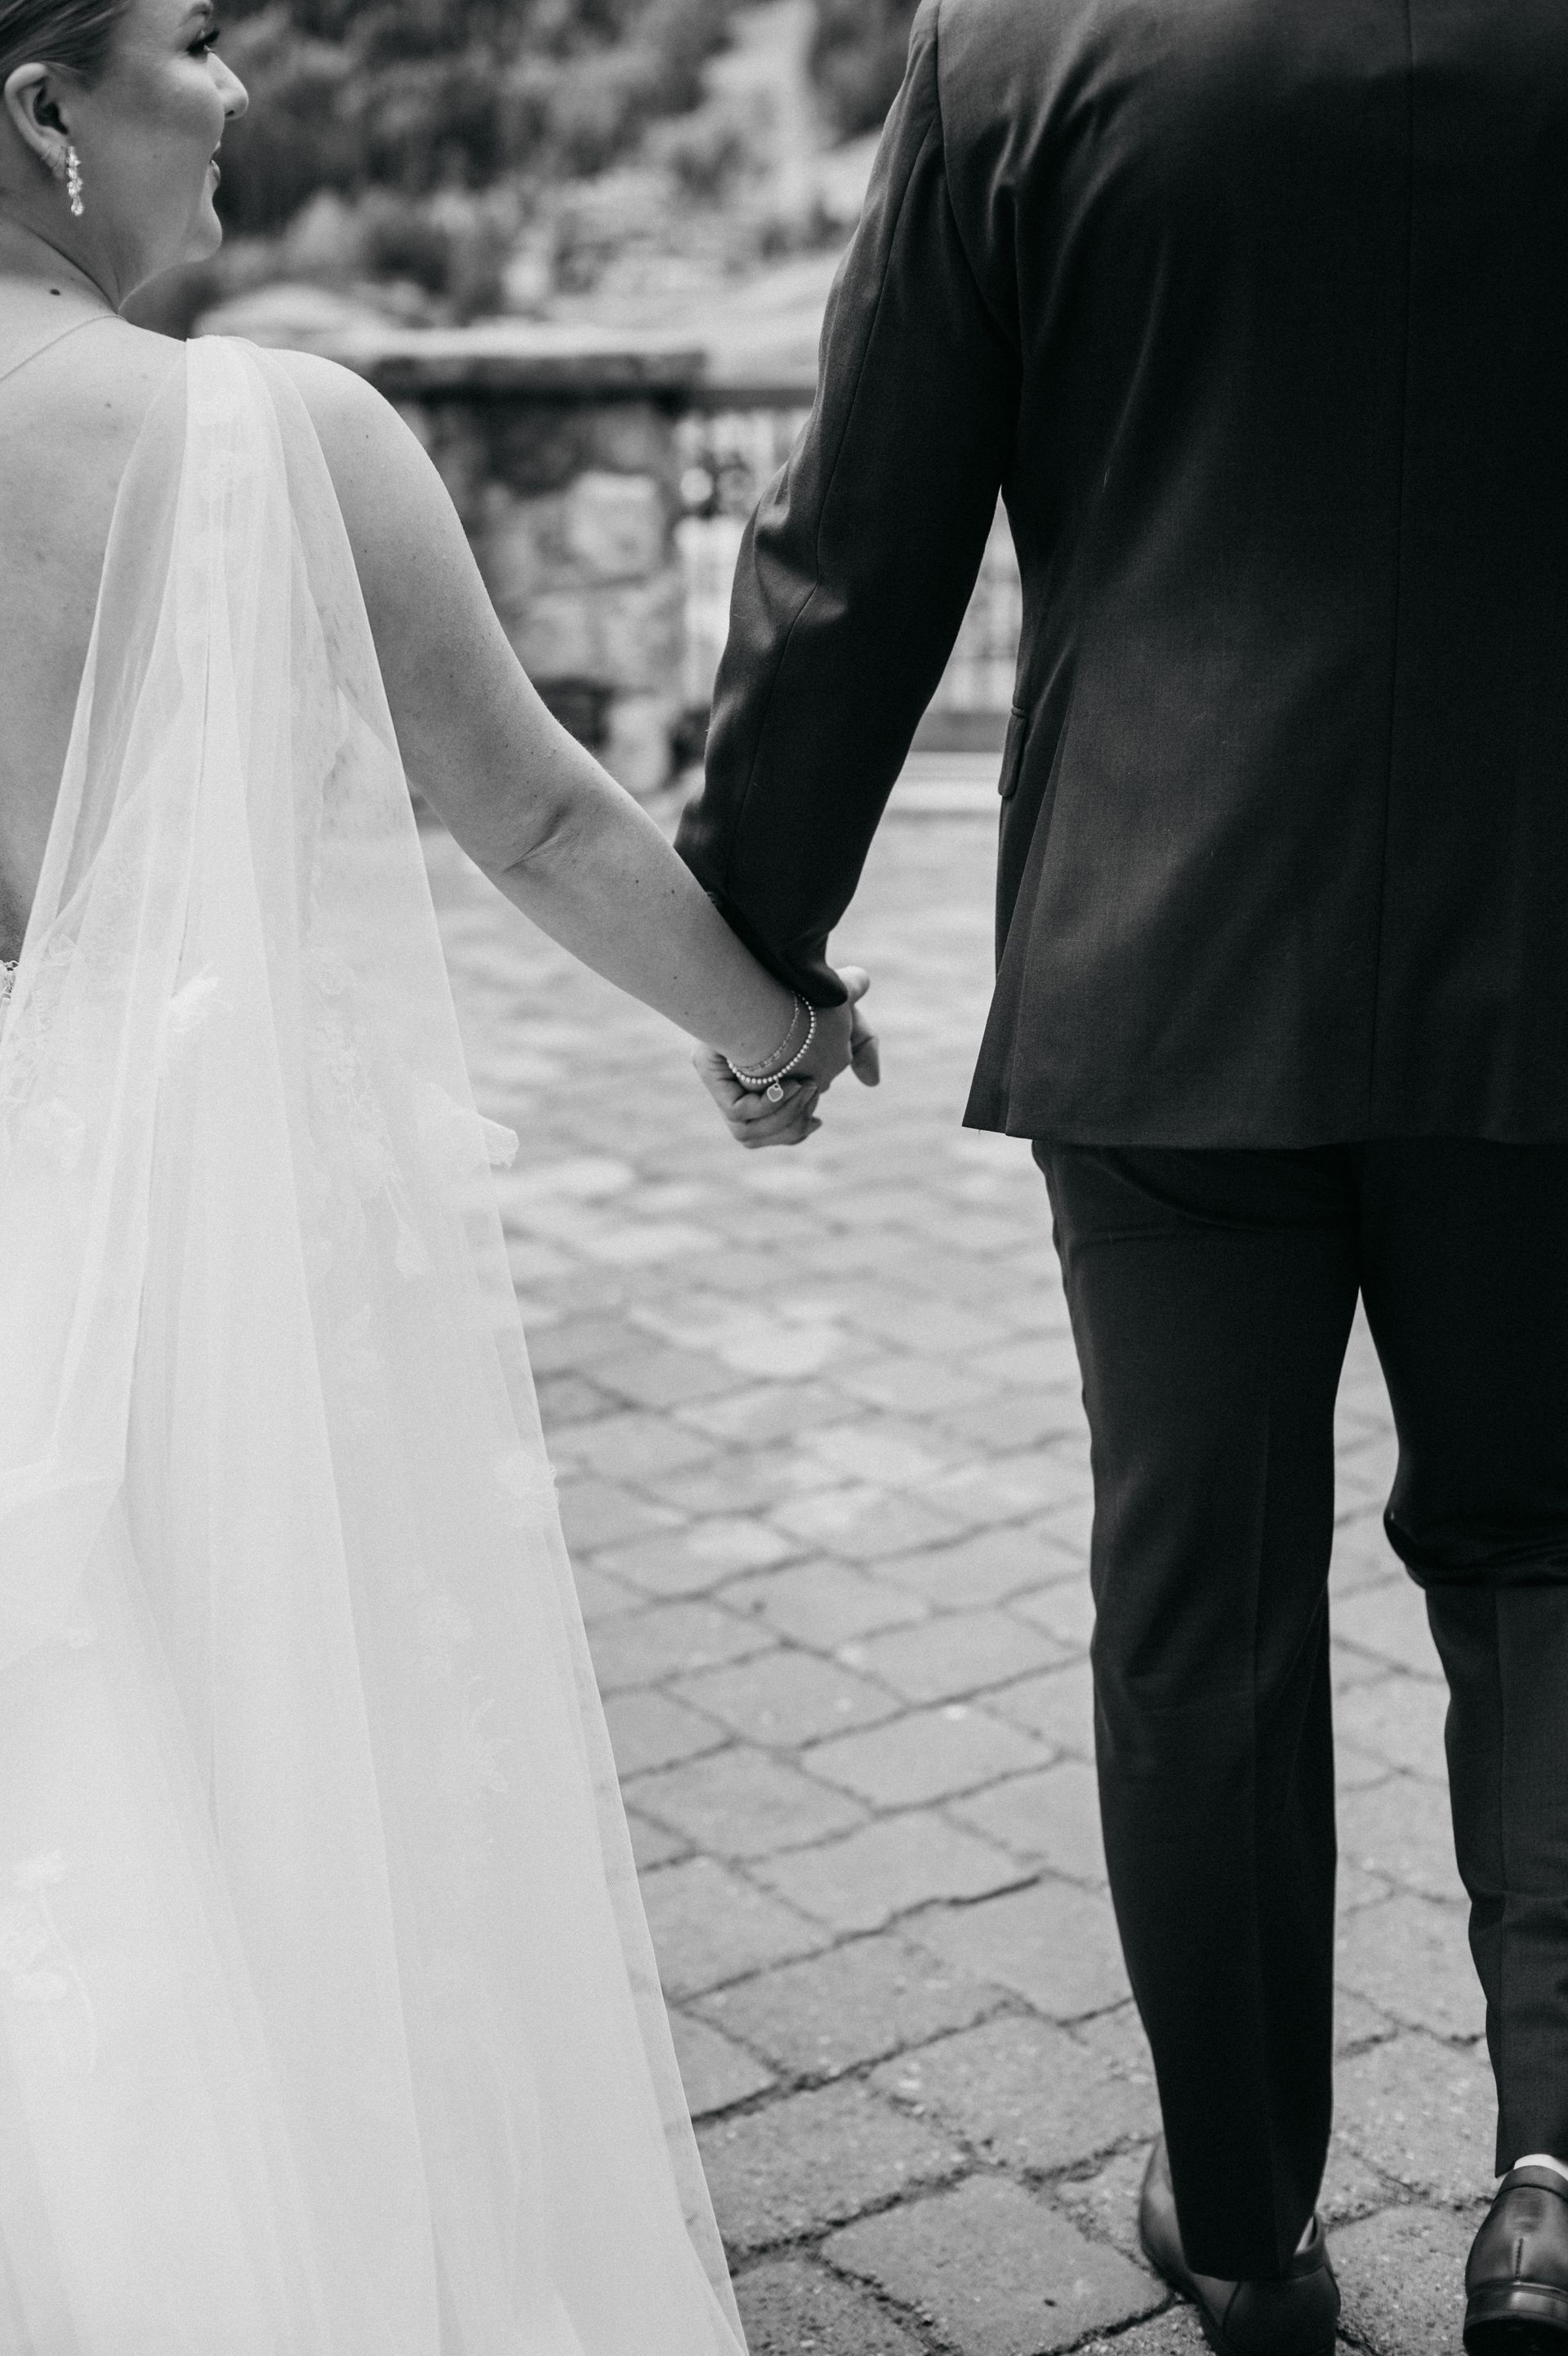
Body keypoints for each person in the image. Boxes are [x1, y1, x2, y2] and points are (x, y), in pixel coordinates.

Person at [676, 2, 1568, 2349]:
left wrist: (753, 945)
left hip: (1164, 959)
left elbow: (857, 545)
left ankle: (1257, 2231)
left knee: (1203, 1607)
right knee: (1553, 1548)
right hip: (1547, 945)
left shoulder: (1019, 48)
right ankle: (1558, 2183)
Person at [0, 0, 880, 2344]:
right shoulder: (262, 438)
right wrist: (779, 1032)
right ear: (42, 113)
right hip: (201, 1248)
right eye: (191, 40)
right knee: (266, 1772)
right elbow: (539, 814)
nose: (241, 90)